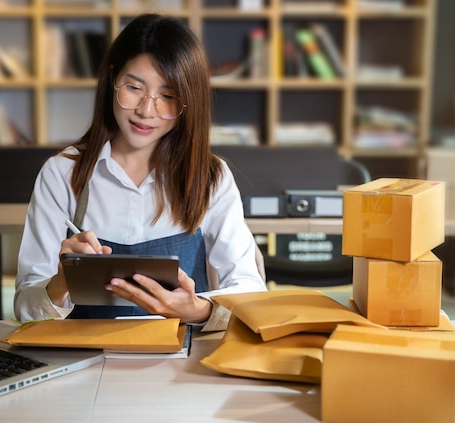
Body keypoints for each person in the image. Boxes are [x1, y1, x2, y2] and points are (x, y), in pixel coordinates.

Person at [14, 13, 266, 329]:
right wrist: (60, 282)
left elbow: (252, 293)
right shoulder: (62, 173)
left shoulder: (210, 177)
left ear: (189, 101)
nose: (147, 111)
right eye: (134, 87)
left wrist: (197, 310)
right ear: (111, 80)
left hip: (177, 366)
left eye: (168, 96)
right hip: (83, 364)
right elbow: (24, 309)